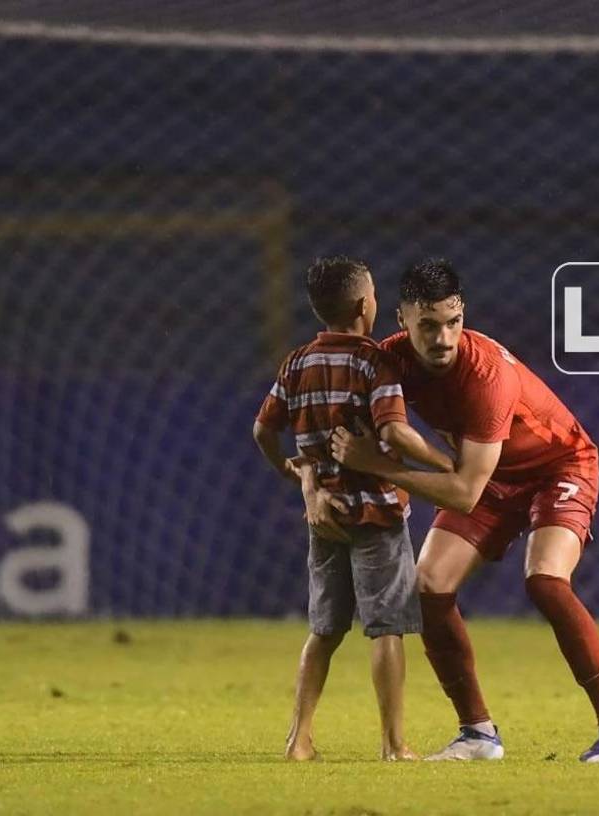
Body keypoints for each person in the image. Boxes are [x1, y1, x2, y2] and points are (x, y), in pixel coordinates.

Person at [327, 258, 599, 763]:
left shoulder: (486, 375)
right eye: (428, 325)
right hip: (488, 475)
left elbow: (464, 493)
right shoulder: (390, 360)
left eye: (453, 322)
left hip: (557, 467)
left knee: (544, 580)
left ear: (463, 314)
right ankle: (478, 734)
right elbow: (368, 428)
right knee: (426, 588)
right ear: (402, 321)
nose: (443, 338)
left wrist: (383, 469)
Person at [252, 255, 454, 762]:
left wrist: (295, 472)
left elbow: (262, 430)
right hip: (378, 514)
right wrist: (444, 461)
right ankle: (393, 744)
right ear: (366, 304)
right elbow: (394, 432)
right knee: (387, 628)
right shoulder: (372, 362)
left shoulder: (296, 363)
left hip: (326, 515)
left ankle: (298, 738)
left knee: (324, 629)